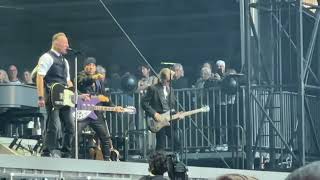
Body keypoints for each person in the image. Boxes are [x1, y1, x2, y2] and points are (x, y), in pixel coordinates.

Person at [36, 32, 74, 158]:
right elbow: (40, 77)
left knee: (70, 125)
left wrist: (76, 93)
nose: (68, 46)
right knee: (53, 125)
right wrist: (41, 97)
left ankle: (65, 152)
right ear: (56, 43)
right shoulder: (47, 57)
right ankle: (47, 151)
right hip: (52, 96)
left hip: (65, 96)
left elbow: (67, 81)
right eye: (65, 43)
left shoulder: (65, 61)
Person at [77, 57, 123, 161]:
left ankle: (107, 160)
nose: (91, 67)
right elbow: (83, 82)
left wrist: (114, 107)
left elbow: (105, 96)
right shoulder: (80, 76)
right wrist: (93, 78)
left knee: (105, 137)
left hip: (96, 112)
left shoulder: (99, 81)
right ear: (85, 67)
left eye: (93, 65)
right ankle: (72, 157)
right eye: (88, 65)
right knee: (75, 134)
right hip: (83, 112)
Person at [141, 68, 182, 151]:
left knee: (176, 142)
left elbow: (172, 106)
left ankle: (175, 160)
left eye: (170, 81)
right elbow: (143, 103)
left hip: (169, 119)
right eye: (167, 81)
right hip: (158, 119)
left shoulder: (171, 90)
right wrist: (154, 114)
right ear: (162, 79)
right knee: (161, 143)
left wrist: (178, 114)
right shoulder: (153, 88)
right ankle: (158, 160)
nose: (168, 83)